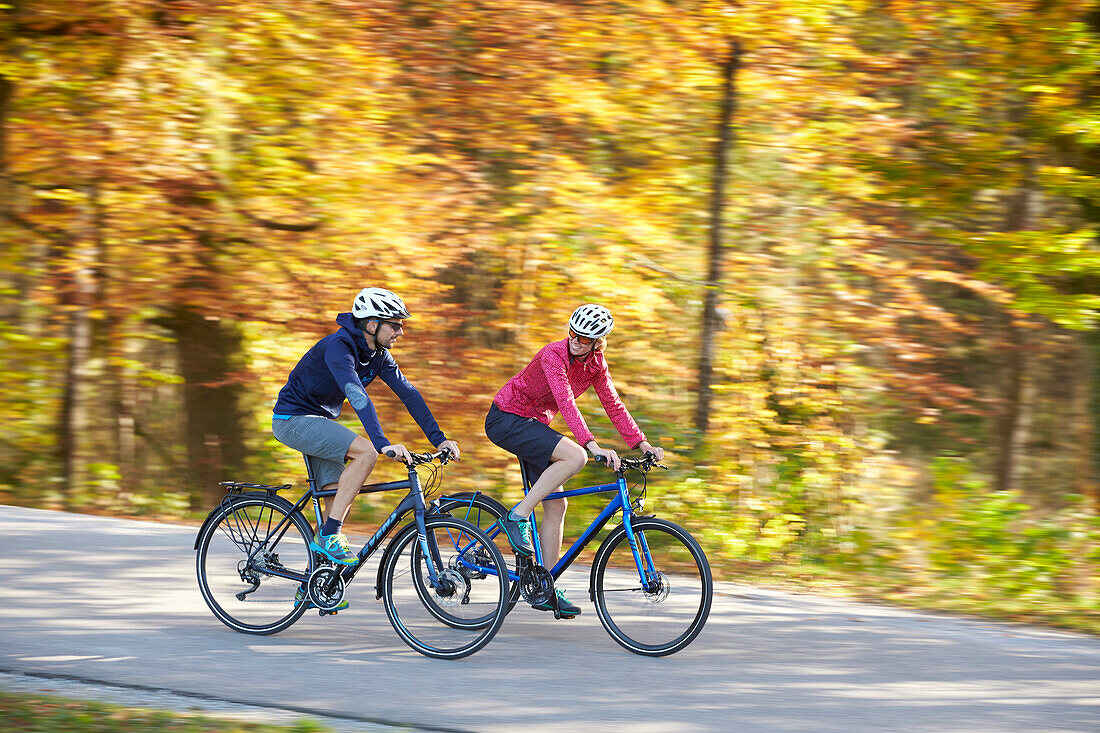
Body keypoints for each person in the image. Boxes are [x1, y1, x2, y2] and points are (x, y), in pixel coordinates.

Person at [271, 287, 460, 610]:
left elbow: (409, 394)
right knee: (366, 453)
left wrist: (438, 438)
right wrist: (383, 444)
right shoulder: (338, 348)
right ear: (371, 324)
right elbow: (357, 396)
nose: (401, 331)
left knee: (336, 503)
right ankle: (330, 534)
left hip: (320, 421)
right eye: (395, 324)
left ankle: (314, 584)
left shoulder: (377, 354)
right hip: (293, 419)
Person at [486, 304, 664, 617]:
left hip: (533, 424)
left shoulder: (596, 364)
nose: (576, 341)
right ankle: (517, 516)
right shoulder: (553, 354)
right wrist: (592, 446)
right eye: (573, 334)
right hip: (507, 418)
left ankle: (545, 587)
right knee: (575, 456)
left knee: (556, 505)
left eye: (584, 338)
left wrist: (641, 442)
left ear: (598, 343)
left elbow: (613, 404)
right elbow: (566, 402)